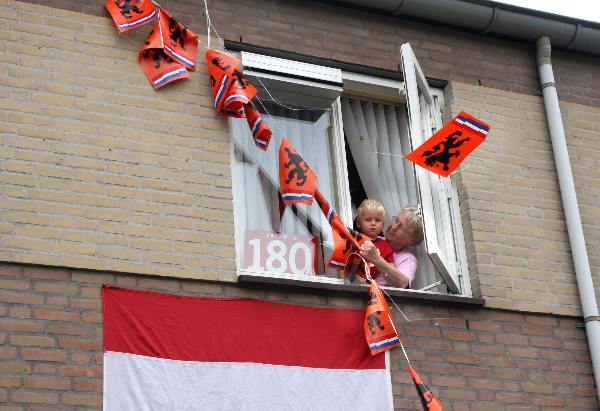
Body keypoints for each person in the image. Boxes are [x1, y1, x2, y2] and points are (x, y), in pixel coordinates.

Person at [359, 206, 424, 288]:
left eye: (402, 227)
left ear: (412, 240)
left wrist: (376, 259)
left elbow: (403, 284)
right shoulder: (373, 239)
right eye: (396, 220)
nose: (394, 227)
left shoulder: (407, 258)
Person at [353, 199, 394, 282]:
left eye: (378, 220)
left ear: (383, 225)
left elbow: (390, 271)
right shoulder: (353, 241)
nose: (373, 223)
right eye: (368, 220)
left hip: (375, 288)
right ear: (358, 223)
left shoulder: (386, 246)